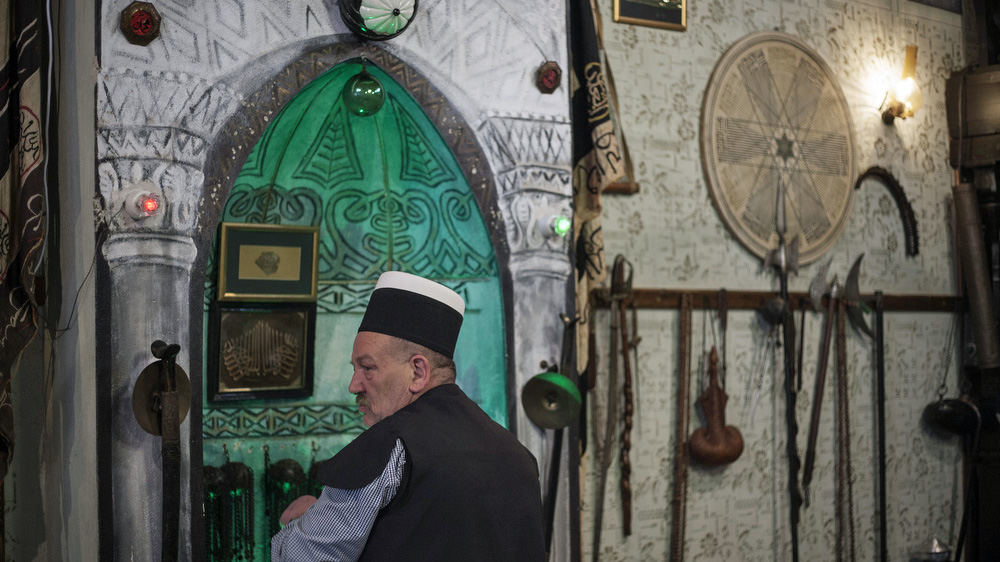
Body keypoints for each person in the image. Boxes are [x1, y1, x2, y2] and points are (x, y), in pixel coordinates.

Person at [271, 271, 546, 561]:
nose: (354, 386)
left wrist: (302, 521)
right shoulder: (518, 455)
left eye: (368, 368)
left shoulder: (389, 448)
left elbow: (302, 557)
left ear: (418, 372)